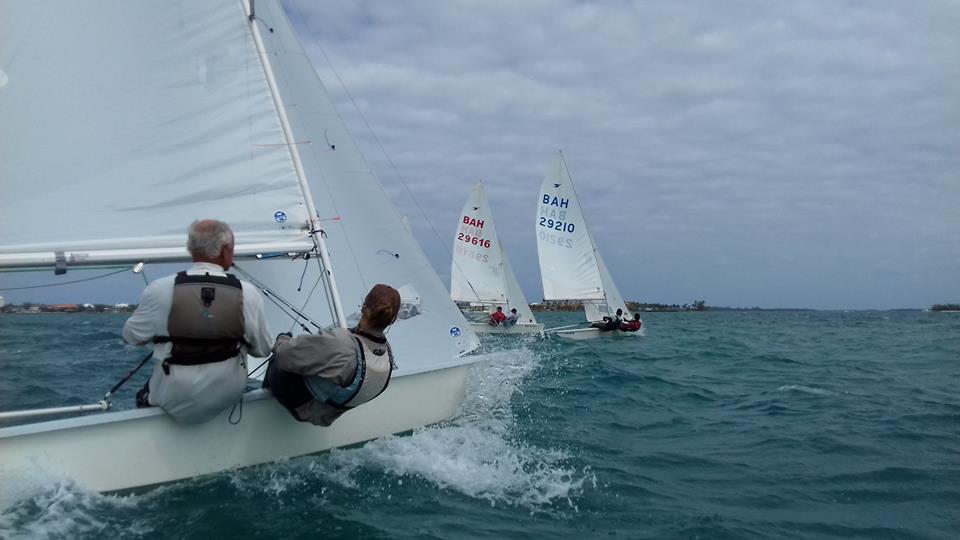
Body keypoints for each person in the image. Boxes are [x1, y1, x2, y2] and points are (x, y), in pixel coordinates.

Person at [122, 219, 272, 424]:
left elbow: (131, 336)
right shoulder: (248, 293)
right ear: (225, 251)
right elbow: (263, 350)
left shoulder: (159, 289)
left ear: (191, 249)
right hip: (226, 398)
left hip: (171, 398)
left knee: (144, 394)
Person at [263, 284, 400, 426]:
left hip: (301, 406)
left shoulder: (341, 342)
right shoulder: (388, 355)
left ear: (364, 307)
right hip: (328, 415)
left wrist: (283, 338)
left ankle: (260, 407)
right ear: (393, 320)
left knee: (279, 358)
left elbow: (283, 355)